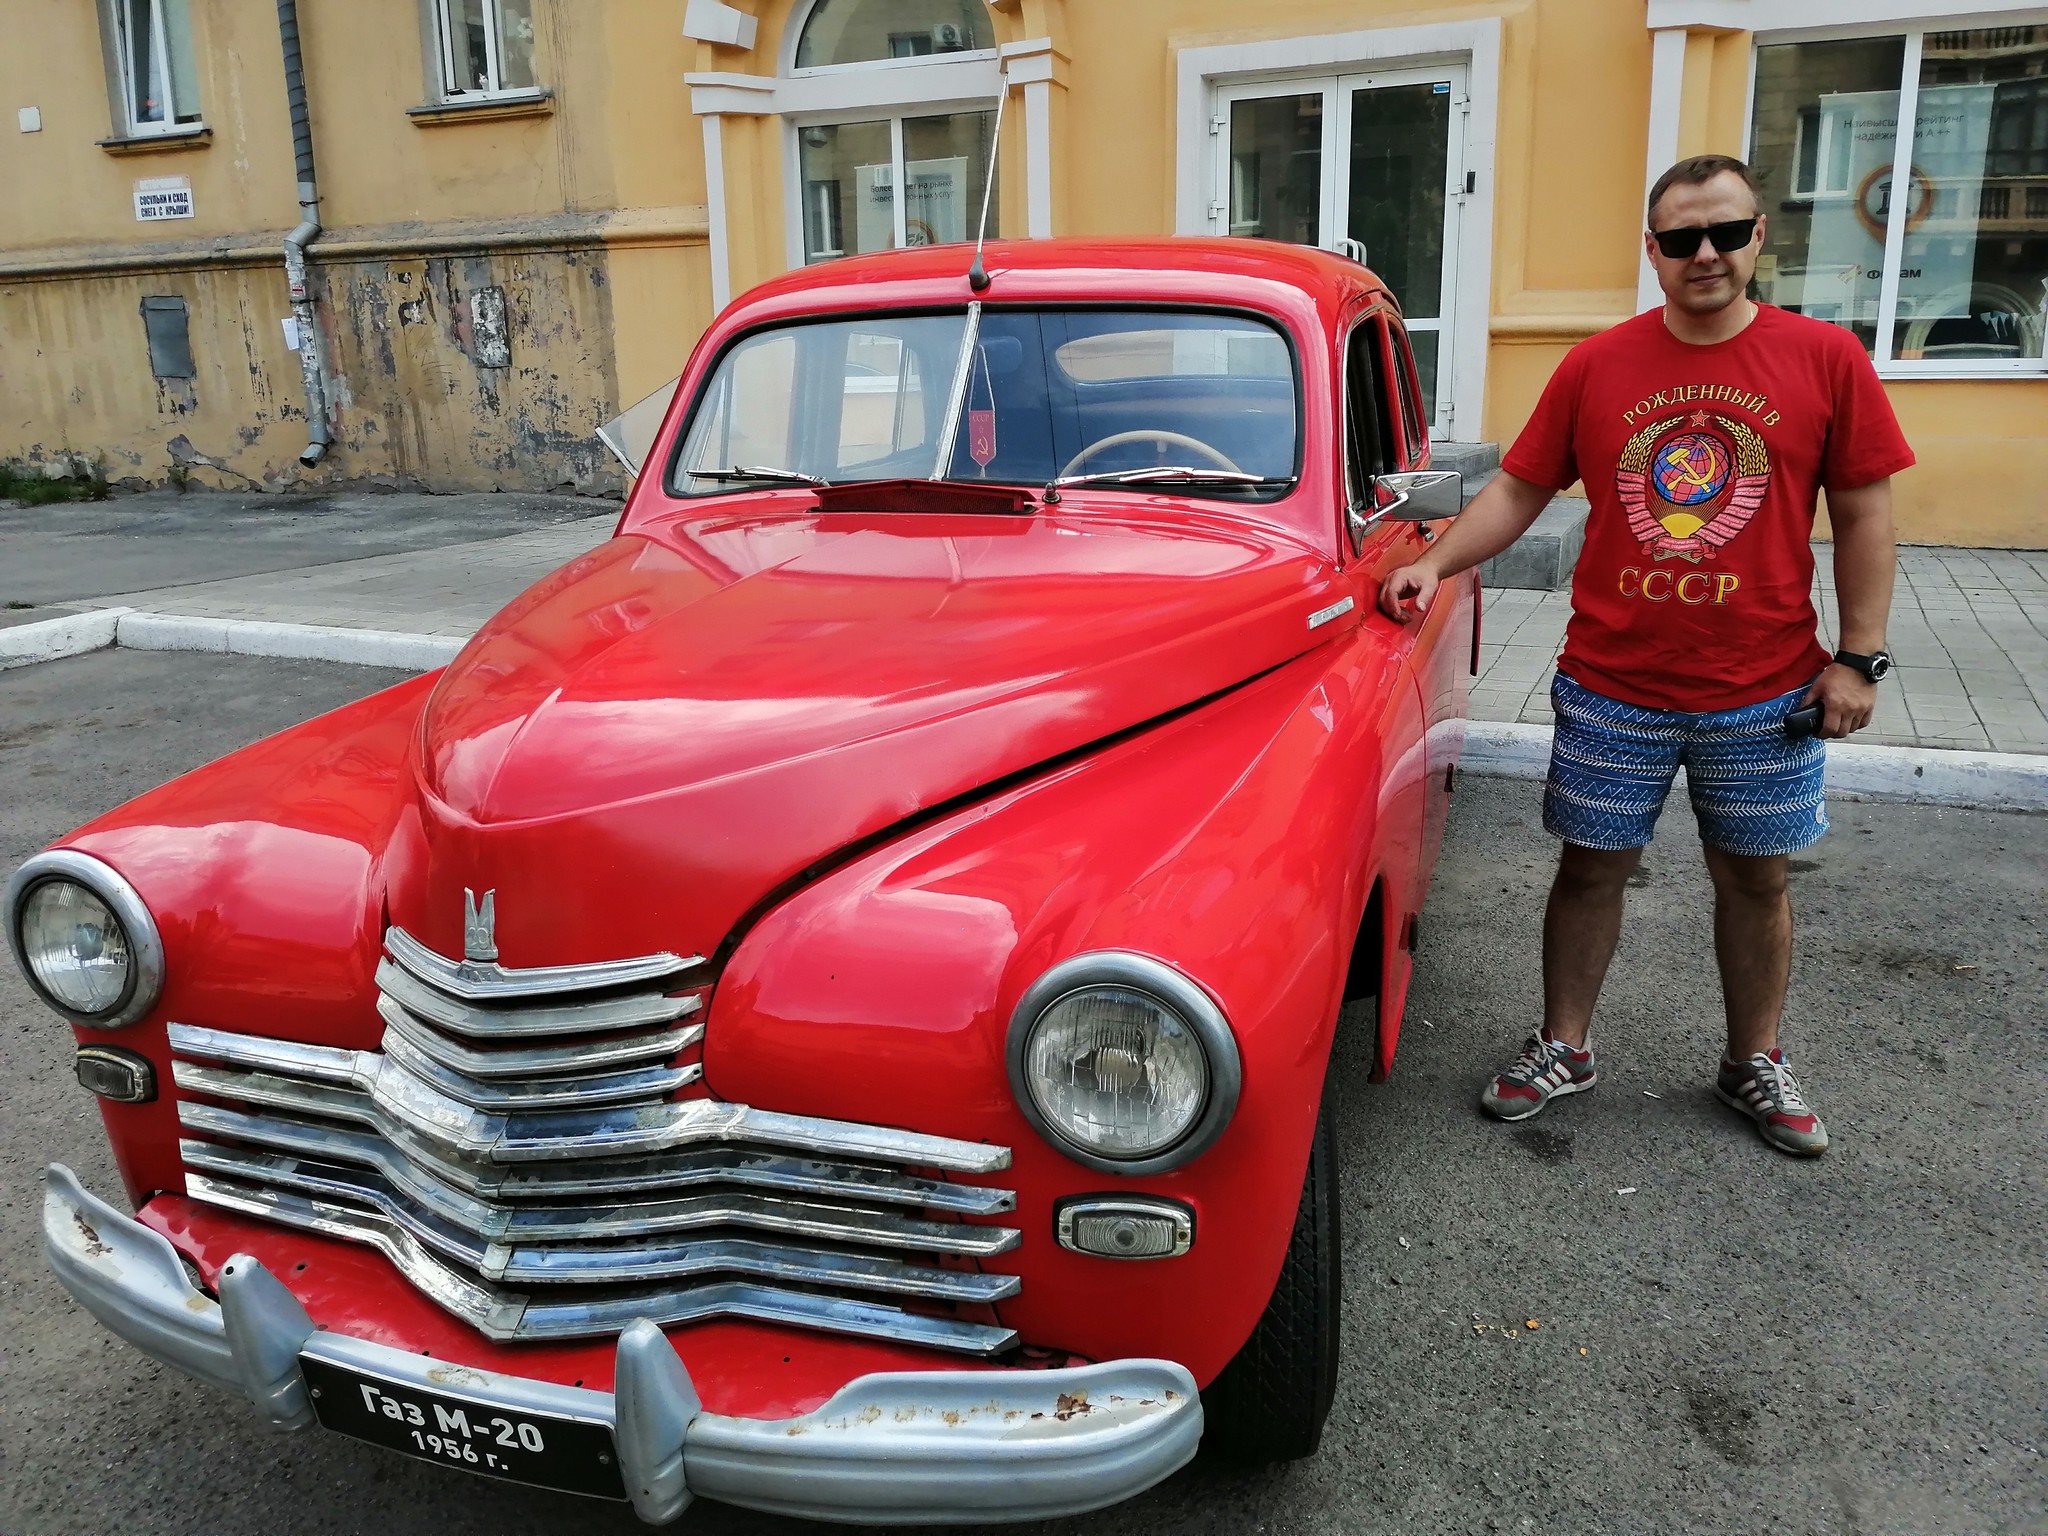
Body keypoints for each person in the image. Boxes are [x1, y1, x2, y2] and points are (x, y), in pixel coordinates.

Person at [1378, 154, 1914, 1157]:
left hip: (1763, 692)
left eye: (1722, 233)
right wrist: (1435, 562)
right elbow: (1519, 489)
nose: (1701, 254)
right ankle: (1563, 1045)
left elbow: (1863, 513)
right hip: (1611, 686)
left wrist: (1860, 658)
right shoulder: (1596, 365)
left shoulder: (1824, 358)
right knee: (1589, 868)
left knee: (1755, 879)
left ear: (1759, 235)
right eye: (1679, 239)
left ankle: (1750, 1058)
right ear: (1651, 251)